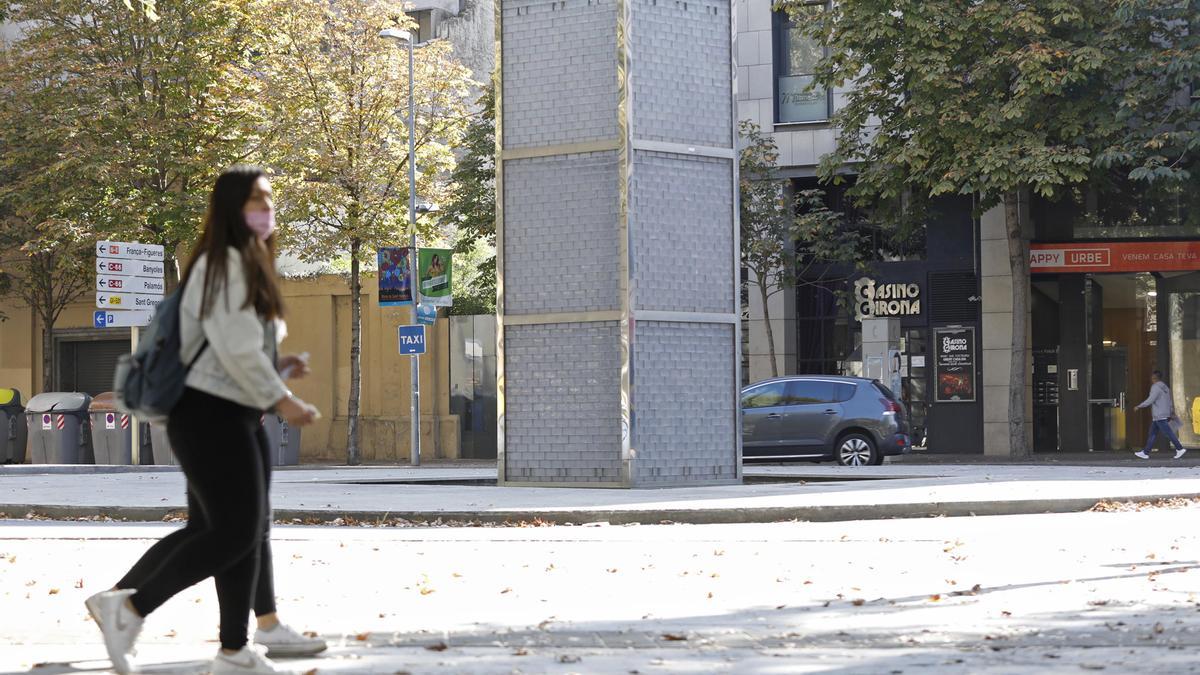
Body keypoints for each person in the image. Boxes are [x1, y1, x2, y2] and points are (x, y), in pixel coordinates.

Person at [85, 166, 325, 674]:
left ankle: (236, 650)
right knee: (235, 533)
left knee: (240, 529)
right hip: (210, 415)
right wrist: (283, 398)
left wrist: (277, 369)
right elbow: (234, 346)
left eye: (269, 200)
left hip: (231, 410)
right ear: (232, 209)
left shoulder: (242, 263)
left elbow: (226, 348)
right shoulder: (225, 264)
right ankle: (128, 606)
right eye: (257, 201)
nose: (267, 210)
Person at [1134, 370, 1187, 460]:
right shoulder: (1165, 387)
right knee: (1152, 433)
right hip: (1163, 414)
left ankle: (1180, 448)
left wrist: (1139, 406)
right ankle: (1145, 452)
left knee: (1168, 432)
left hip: (1159, 415)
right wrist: (1170, 411)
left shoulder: (1155, 387)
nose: (1151, 379)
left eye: (1152, 377)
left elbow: (1150, 400)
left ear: (1154, 378)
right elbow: (1169, 400)